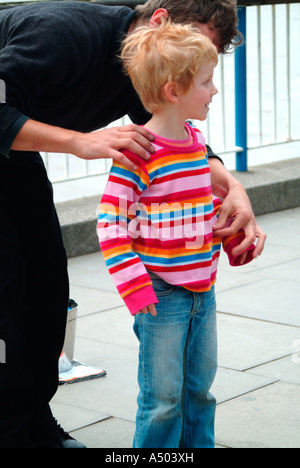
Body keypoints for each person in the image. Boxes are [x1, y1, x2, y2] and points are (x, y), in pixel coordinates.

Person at [0, 0, 265, 448]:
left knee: (46, 286)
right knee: (7, 298)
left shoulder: (148, 69)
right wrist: (79, 142)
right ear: (160, 21)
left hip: (13, 156)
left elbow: (175, 136)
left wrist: (234, 189)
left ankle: (32, 419)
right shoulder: (61, 33)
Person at [97, 20, 257, 448]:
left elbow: (192, 209)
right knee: (163, 399)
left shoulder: (196, 142)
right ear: (174, 91)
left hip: (203, 289)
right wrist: (135, 289)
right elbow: (111, 225)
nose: (214, 90)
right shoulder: (138, 154)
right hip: (159, 294)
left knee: (200, 391)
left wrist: (223, 232)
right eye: (206, 82)